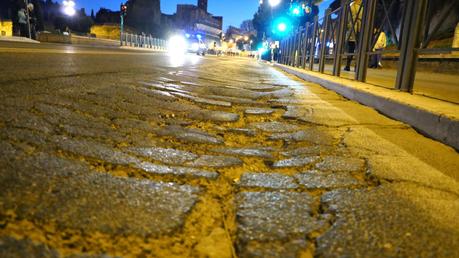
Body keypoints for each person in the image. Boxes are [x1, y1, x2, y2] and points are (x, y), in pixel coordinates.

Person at [344, 0, 363, 71]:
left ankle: (348, 66)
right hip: (360, 29)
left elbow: (348, 18)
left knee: (351, 48)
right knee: (359, 49)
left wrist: (347, 27)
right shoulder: (362, 7)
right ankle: (356, 67)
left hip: (352, 29)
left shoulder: (351, 6)